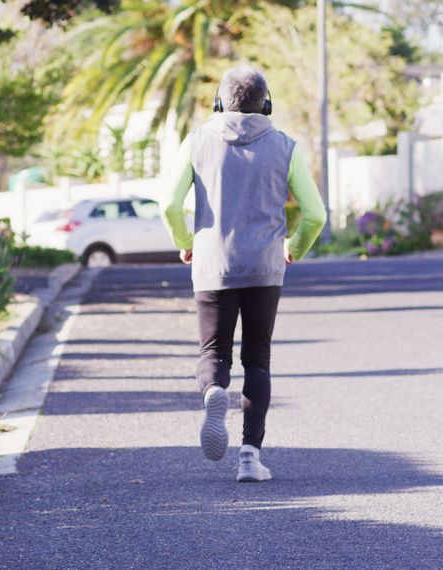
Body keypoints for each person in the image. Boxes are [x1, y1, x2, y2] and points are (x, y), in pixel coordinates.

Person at [161, 66, 326, 482]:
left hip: (212, 264)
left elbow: (168, 204)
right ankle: (250, 457)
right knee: (258, 360)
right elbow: (316, 214)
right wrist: (296, 248)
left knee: (213, 353)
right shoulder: (285, 146)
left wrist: (187, 240)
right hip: (265, 267)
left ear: (218, 103)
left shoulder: (197, 141)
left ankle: (214, 391)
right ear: (266, 105)